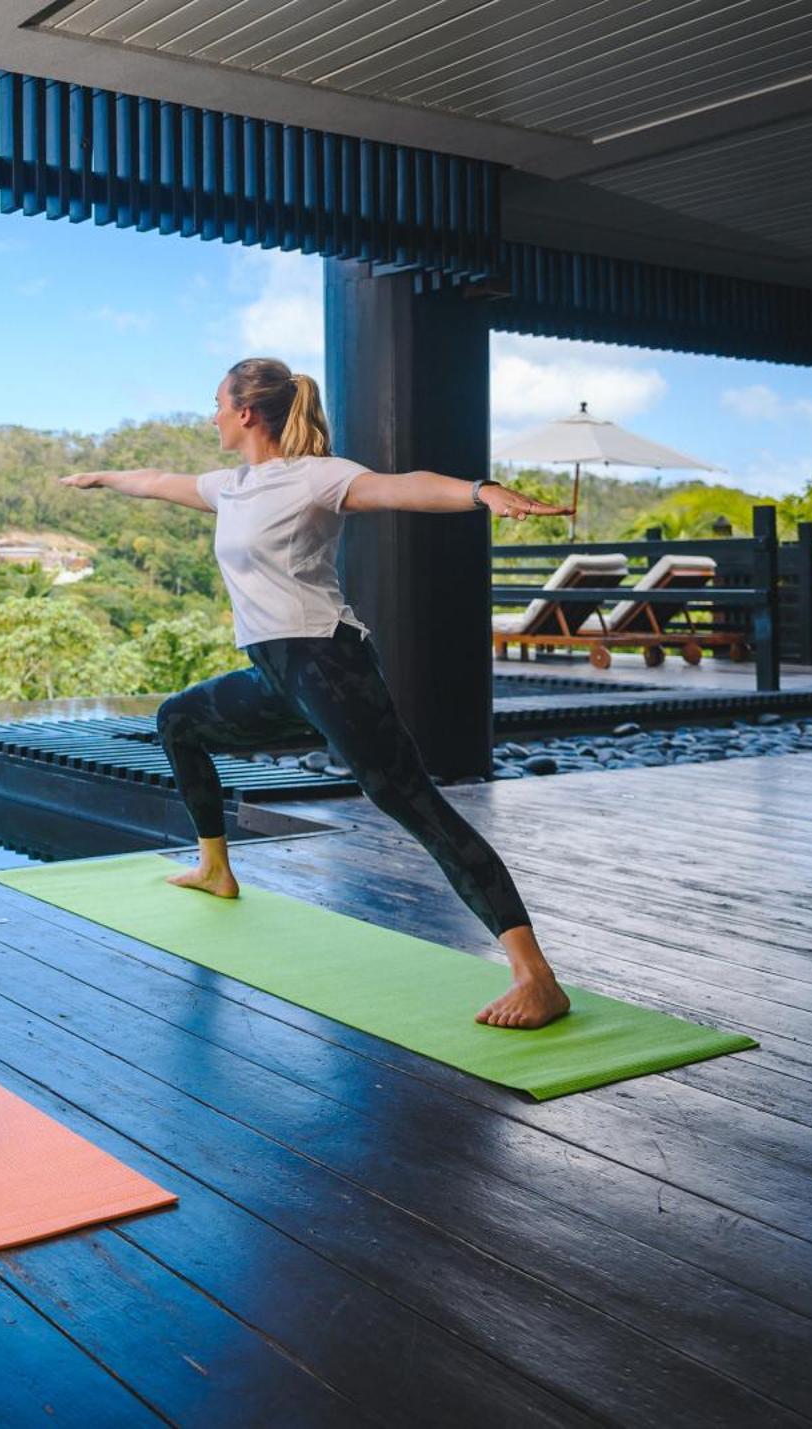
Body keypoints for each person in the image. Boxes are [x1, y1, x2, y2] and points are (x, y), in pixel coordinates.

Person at [61, 358, 574, 1029]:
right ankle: (216, 867)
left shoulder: (316, 476)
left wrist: (480, 492)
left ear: (247, 412)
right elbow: (158, 482)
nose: (210, 413)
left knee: (408, 801)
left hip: (330, 666)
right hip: (276, 673)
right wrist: (100, 478)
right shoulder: (233, 486)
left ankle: (536, 975)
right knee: (178, 719)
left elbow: (401, 488)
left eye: (216, 402)